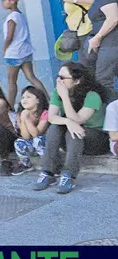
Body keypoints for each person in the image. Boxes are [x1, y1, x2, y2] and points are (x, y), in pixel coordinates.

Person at [33, 62, 110, 193]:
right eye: (58, 76)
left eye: (63, 78)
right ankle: (47, 172)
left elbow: (77, 119)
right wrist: (68, 122)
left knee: (73, 132)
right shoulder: (58, 92)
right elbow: (51, 117)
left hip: (96, 140)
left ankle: (69, 175)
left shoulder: (92, 95)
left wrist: (65, 97)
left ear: (77, 80)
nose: (58, 80)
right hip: (73, 138)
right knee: (54, 128)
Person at [1, 0, 47, 108]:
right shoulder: (20, 15)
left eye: (4, 0)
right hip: (25, 51)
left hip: (14, 53)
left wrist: (5, 48)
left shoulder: (11, 18)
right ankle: (47, 100)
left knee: (11, 82)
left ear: (12, 1)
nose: (2, 3)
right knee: (31, 77)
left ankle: (9, 107)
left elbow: (9, 36)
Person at [80, 0, 118, 102]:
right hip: (112, 45)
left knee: (103, 80)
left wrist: (97, 37)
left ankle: (114, 119)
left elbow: (113, 17)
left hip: (111, 44)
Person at [12, 86, 50, 174]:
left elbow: (36, 133)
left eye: (28, 97)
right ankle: (26, 165)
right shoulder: (22, 113)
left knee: (37, 140)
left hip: (46, 144)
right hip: (32, 144)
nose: (24, 100)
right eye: (23, 97)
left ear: (38, 100)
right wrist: (23, 118)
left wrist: (26, 119)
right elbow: (26, 136)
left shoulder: (45, 113)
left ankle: (50, 166)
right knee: (18, 142)